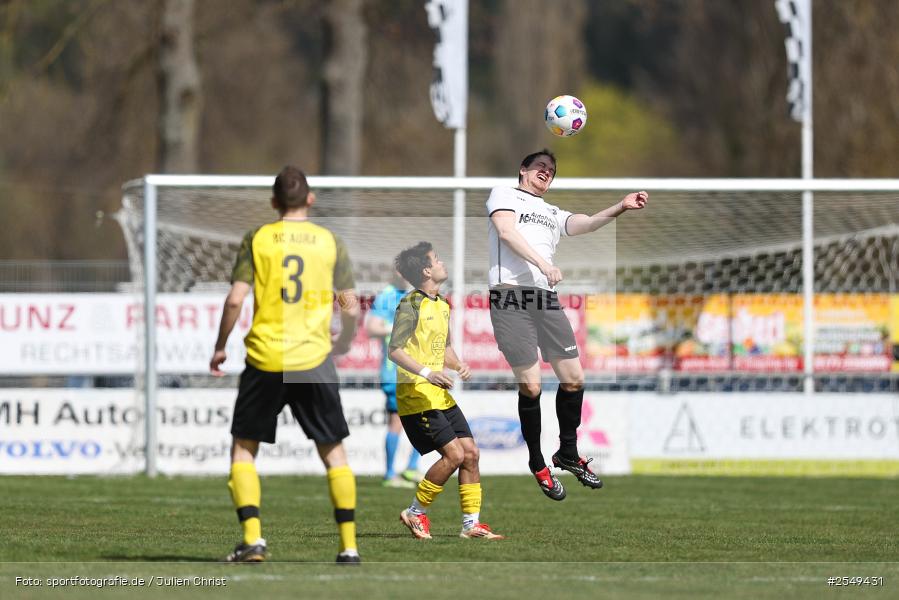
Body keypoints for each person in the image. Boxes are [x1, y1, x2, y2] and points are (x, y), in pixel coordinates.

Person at [210, 166, 362, 564]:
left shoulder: (257, 238)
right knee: (333, 453)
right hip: (313, 359)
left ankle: (253, 540)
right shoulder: (330, 242)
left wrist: (220, 347)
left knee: (244, 448)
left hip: (265, 357)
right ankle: (349, 547)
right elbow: (348, 302)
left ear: (274, 202)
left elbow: (234, 300)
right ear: (310, 199)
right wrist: (344, 340)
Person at [486, 149, 648, 500]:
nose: (546, 172)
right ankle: (537, 462)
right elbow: (506, 232)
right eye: (540, 167)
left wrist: (620, 206)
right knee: (531, 387)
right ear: (523, 170)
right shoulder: (504, 194)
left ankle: (568, 453)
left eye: (551, 170)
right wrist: (545, 265)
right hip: (511, 297)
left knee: (574, 379)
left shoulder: (551, 212)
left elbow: (585, 223)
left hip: (545, 299)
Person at [389, 242, 504, 540]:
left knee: (471, 454)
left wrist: (458, 364)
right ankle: (415, 513)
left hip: (438, 393)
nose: (442, 263)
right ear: (427, 270)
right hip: (416, 393)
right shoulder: (410, 304)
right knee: (453, 455)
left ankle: (471, 525)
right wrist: (428, 373)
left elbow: (445, 348)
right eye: (436, 259)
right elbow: (395, 351)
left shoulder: (442, 303)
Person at [365, 271, 422, 488]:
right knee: (397, 421)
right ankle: (390, 474)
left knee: (424, 417)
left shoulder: (411, 294)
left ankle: (410, 468)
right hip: (394, 371)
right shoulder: (388, 294)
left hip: (413, 369)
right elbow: (371, 327)